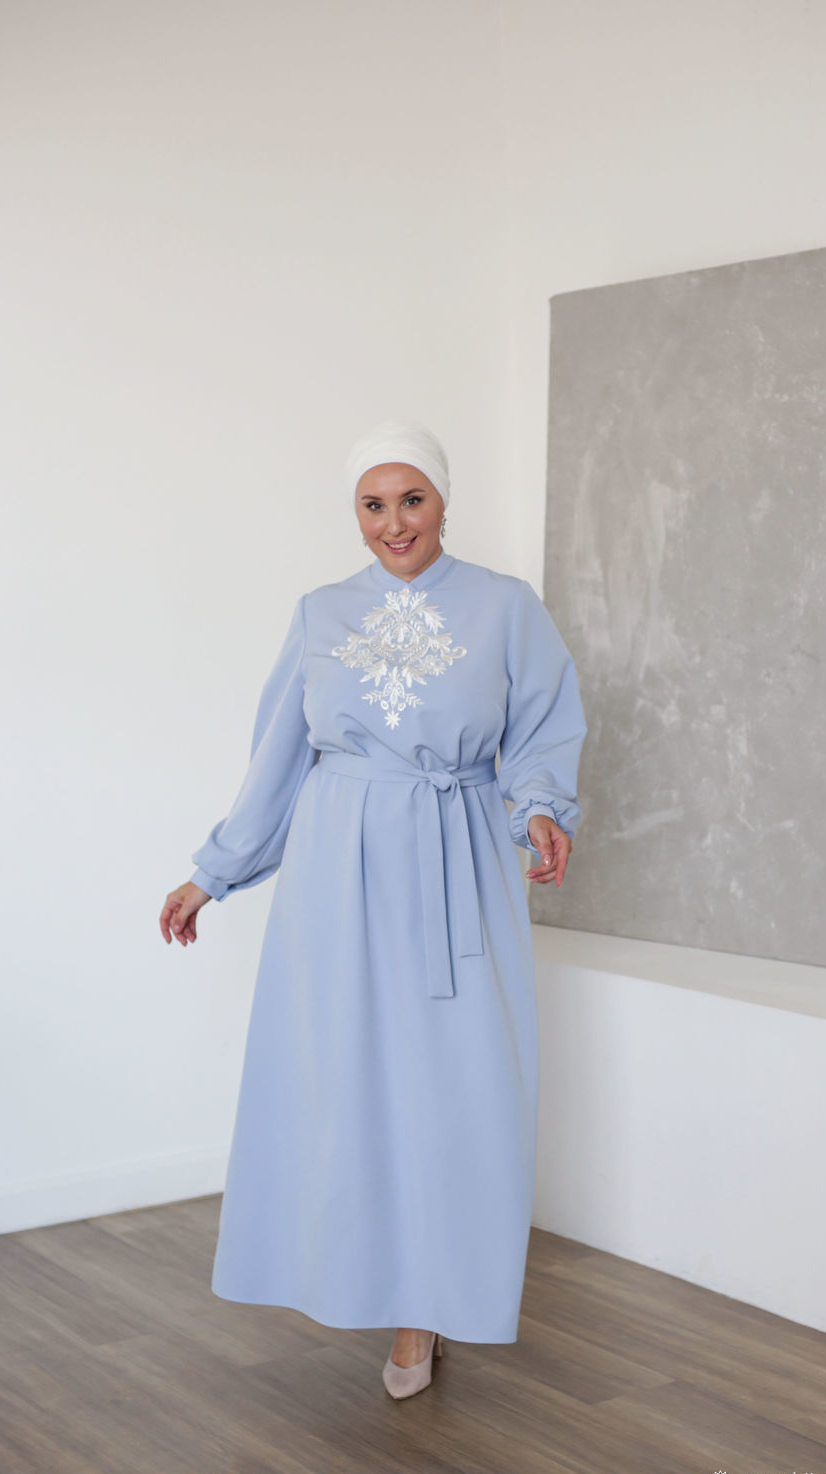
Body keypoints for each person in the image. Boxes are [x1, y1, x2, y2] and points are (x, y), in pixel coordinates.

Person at [160, 418, 587, 1400]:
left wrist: (539, 810)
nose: (394, 523)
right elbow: (279, 761)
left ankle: (423, 1313)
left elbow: (541, 730)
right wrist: (212, 874)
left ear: (442, 502)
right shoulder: (320, 614)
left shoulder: (506, 608)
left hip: (457, 865)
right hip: (335, 877)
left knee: (453, 1092)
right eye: (373, 504)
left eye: (412, 500)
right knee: (345, 1084)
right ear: (354, 513)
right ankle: (354, 1276)